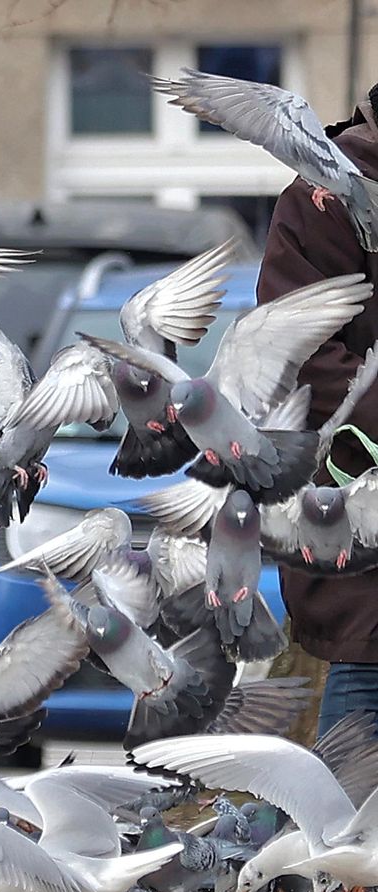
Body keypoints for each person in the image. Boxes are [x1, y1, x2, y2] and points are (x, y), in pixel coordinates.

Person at [256, 86, 378, 736]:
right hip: (358, 492)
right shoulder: (326, 191)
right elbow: (293, 343)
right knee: (369, 656)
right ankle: (345, 835)